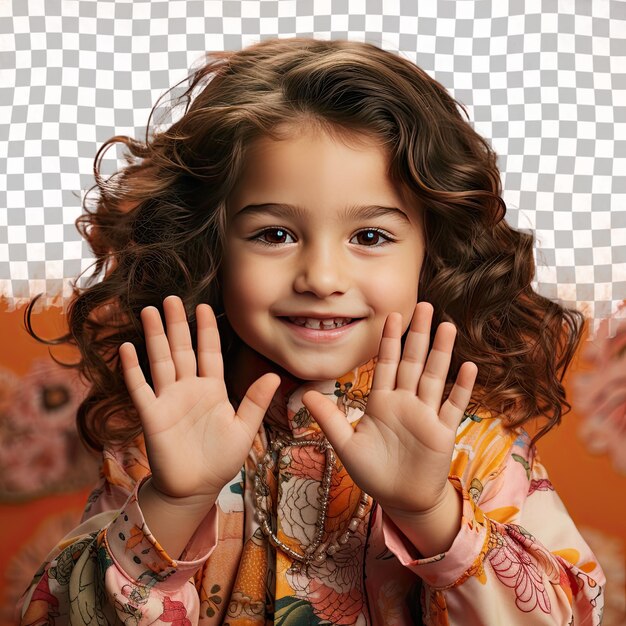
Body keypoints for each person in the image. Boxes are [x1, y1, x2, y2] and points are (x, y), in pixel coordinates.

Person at [19, 37, 605, 625]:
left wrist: (431, 512)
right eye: (275, 234)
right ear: (210, 249)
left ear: (432, 255)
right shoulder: (159, 438)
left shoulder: (473, 443)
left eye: (370, 237)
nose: (322, 277)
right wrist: (174, 503)